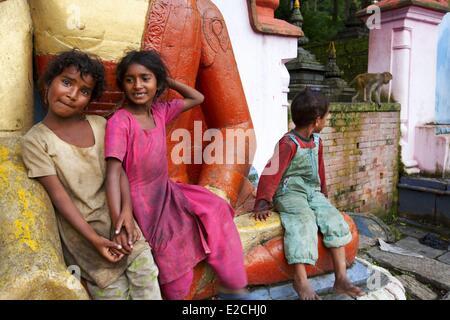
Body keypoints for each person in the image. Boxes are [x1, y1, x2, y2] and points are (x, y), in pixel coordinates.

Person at [105, 50, 249, 300]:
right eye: (130, 80)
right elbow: (113, 174)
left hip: (167, 190)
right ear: (122, 84)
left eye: (145, 78)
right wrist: (120, 216)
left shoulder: (159, 112)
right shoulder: (120, 121)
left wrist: (165, 80)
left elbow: (197, 97)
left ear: (156, 82)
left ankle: (234, 287)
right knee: (171, 257)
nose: (137, 85)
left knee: (216, 208)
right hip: (143, 203)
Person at [21, 49, 162, 300]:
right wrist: (94, 240)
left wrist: (127, 213)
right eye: (66, 82)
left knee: (149, 290)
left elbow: (119, 175)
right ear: (48, 81)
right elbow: (59, 198)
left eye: (84, 91)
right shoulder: (36, 141)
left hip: (126, 232)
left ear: (90, 98)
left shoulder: (100, 124)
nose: (73, 94)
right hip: (88, 246)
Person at [252, 88, 365, 300]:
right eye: (327, 117)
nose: (327, 121)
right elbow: (271, 172)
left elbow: (320, 170)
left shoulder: (317, 141)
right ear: (317, 119)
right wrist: (263, 201)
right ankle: (301, 281)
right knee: (303, 222)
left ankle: (341, 278)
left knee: (333, 219)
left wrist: (323, 195)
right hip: (289, 191)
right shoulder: (288, 143)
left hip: (311, 190)